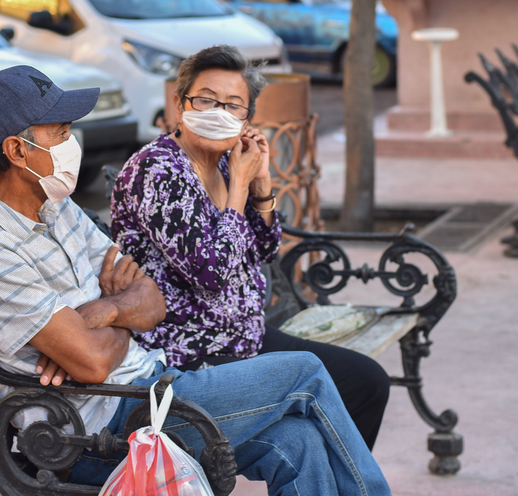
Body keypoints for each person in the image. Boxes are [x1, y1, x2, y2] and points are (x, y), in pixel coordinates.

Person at [0, 65, 391, 496]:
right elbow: (95, 365)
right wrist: (111, 317)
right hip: (98, 430)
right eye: (59, 133)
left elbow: (150, 299)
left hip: (150, 384)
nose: (70, 142)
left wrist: (105, 312)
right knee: (306, 373)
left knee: (299, 442)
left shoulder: (53, 206)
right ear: (18, 151)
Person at [110, 45, 391, 449]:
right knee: (303, 431)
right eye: (205, 99)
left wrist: (261, 189)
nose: (218, 111)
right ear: (179, 103)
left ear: (246, 117)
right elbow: (211, 275)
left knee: (366, 382)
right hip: (188, 351)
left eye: (233, 105)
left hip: (245, 337)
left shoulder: (227, 161)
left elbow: (263, 251)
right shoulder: (157, 171)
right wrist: (238, 188)